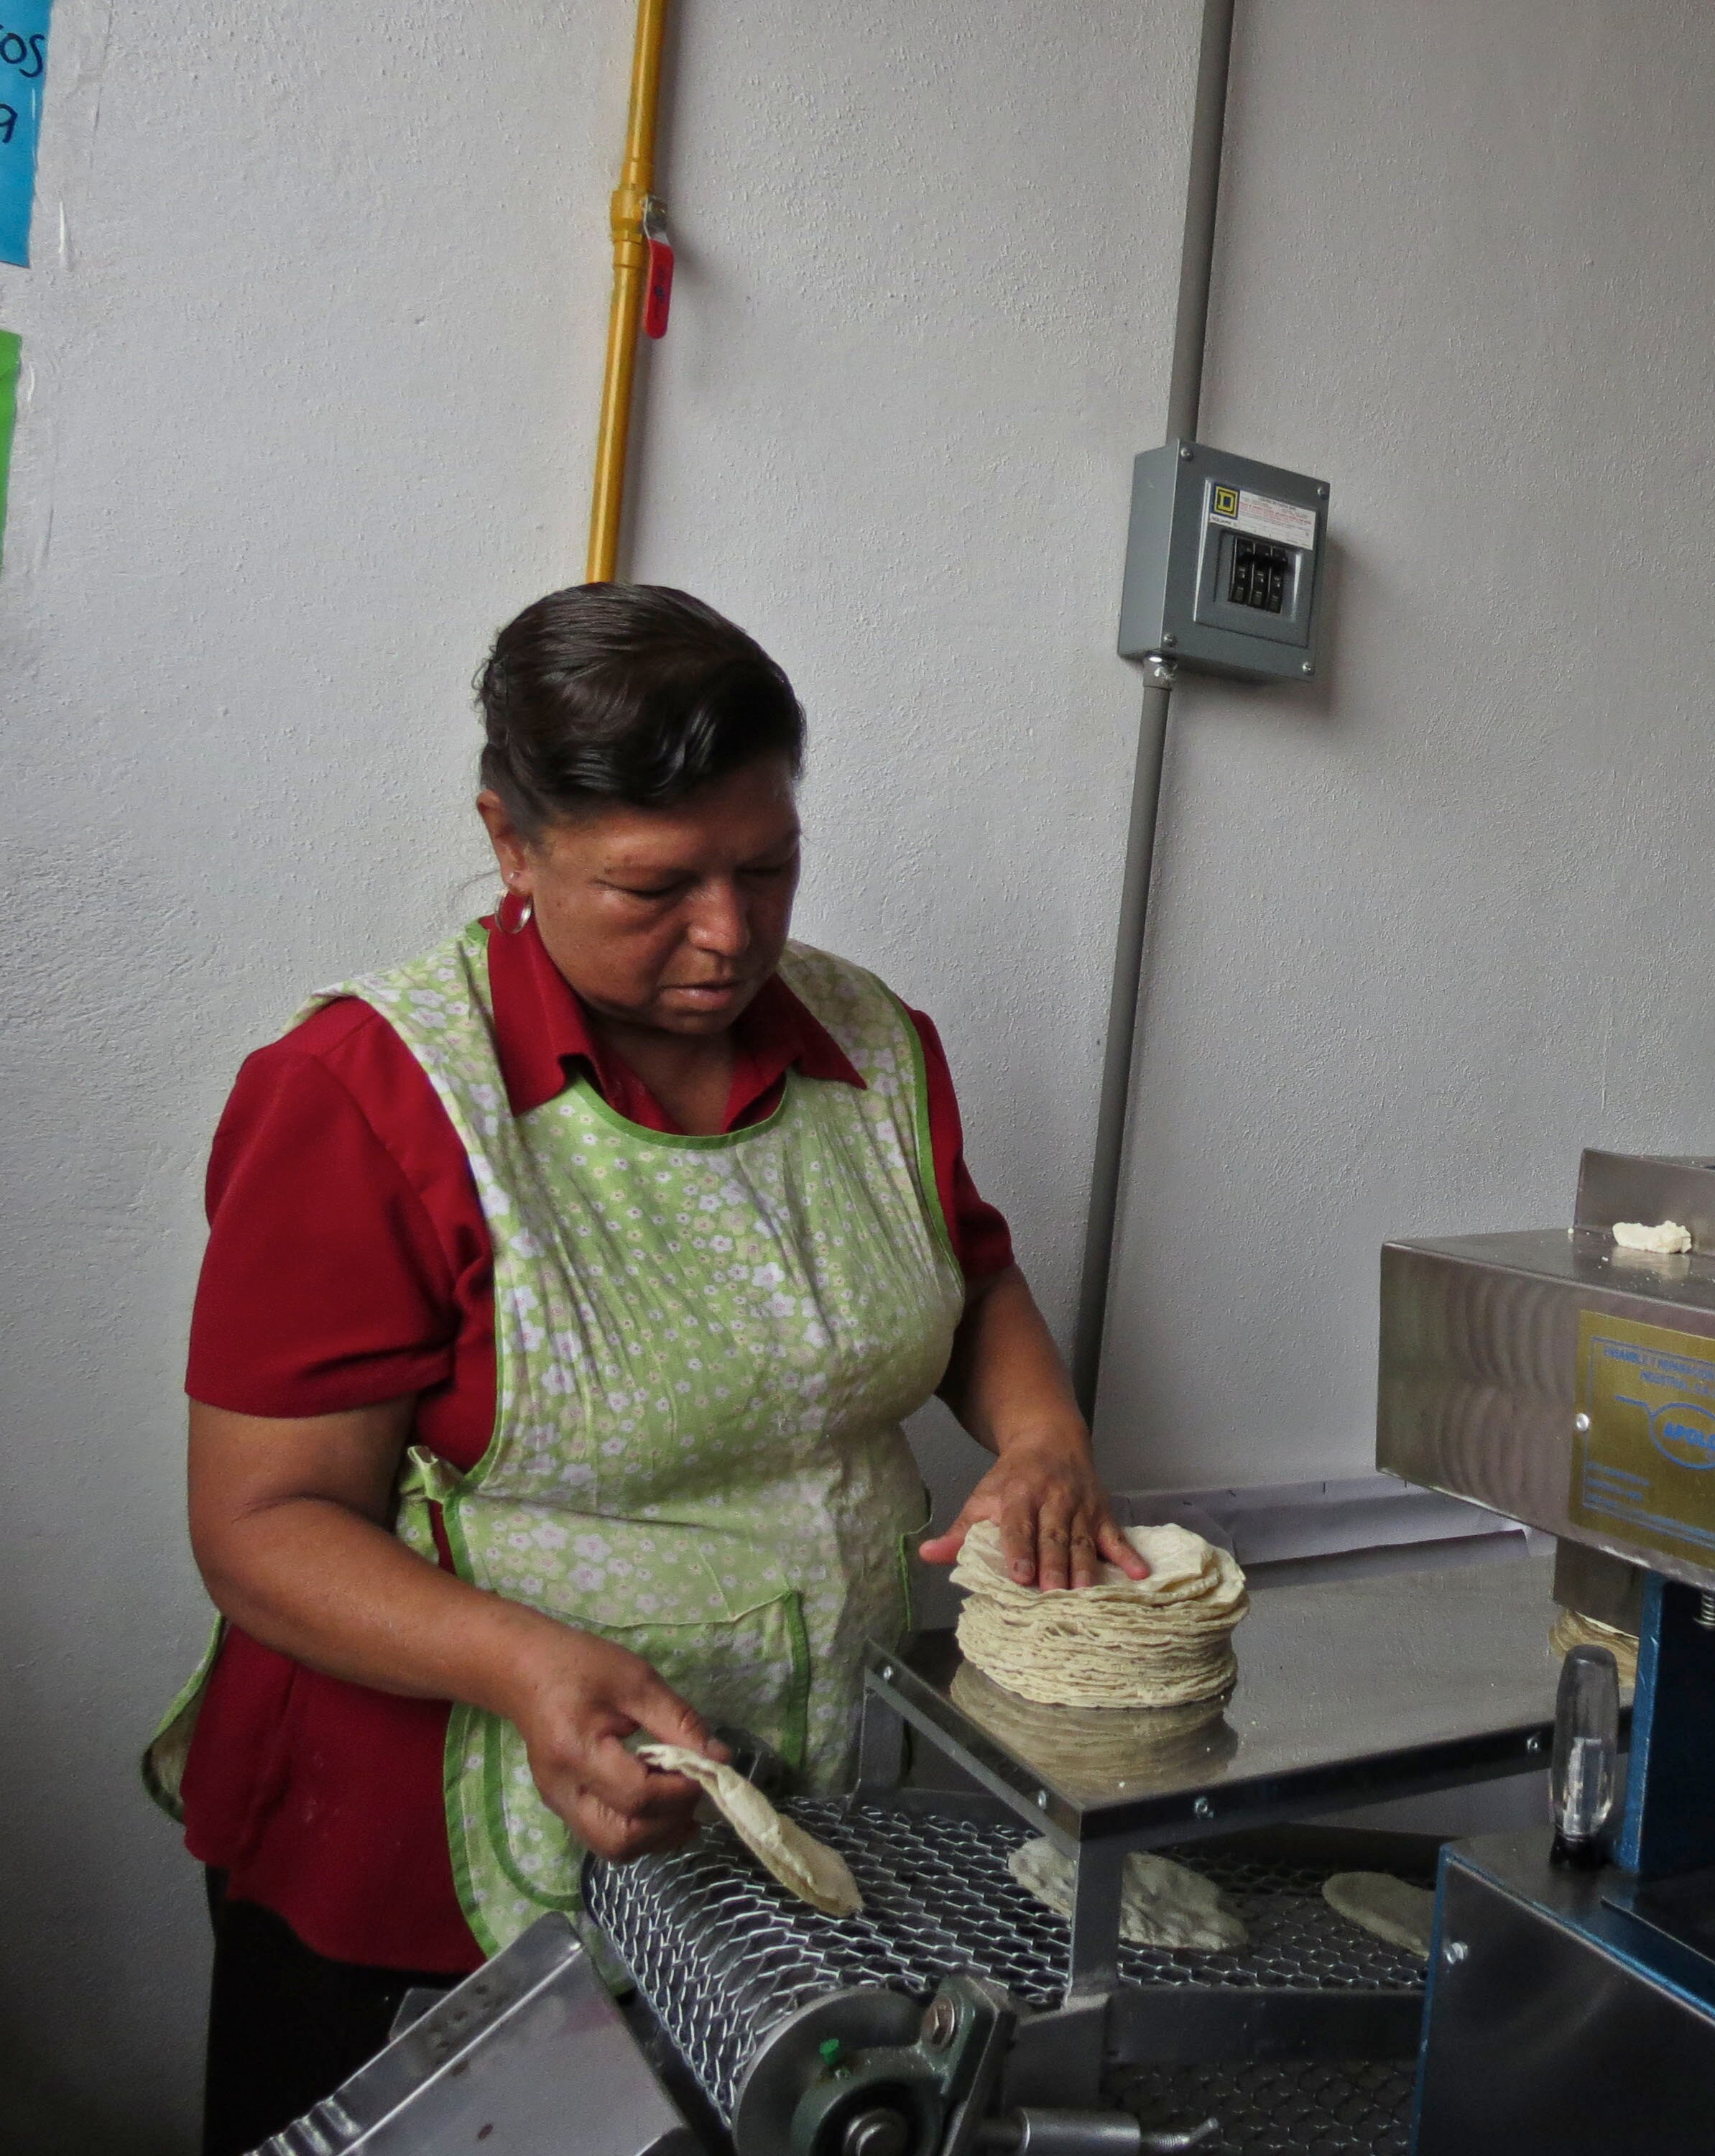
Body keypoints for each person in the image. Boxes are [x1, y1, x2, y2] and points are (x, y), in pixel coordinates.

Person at [151, 584, 1146, 2154]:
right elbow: (262, 1526)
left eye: (767, 867)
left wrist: (1041, 1435)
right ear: (510, 841)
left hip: (797, 1808)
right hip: (421, 1856)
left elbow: (969, 1270)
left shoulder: (869, 1043)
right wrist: (530, 1668)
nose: (729, 934)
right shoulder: (364, 1099)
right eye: (653, 887)